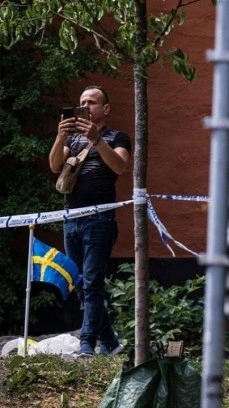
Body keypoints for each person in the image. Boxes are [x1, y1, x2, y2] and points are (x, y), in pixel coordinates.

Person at [49, 85, 131, 357]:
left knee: (92, 282)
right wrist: (60, 138)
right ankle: (111, 343)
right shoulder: (72, 141)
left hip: (99, 219)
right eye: (82, 102)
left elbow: (120, 166)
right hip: (71, 219)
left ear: (105, 108)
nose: (86, 106)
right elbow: (55, 167)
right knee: (80, 283)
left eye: (92, 102)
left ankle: (87, 344)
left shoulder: (116, 136)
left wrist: (97, 140)